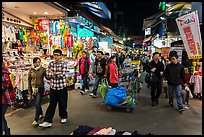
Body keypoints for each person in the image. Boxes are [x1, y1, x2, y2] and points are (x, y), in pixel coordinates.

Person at [39, 49, 69, 128]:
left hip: (62, 87)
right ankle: (47, 121)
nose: (56, 56)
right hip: (53, 87)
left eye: (57, 55)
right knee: (52, 104)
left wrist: (53, 73)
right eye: (54, 55)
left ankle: (63, 116)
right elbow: (48, 76)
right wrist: (56, 73)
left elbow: (62, 75)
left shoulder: (64, 64)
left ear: (61, 56)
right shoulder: (51, 63)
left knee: (62, 103)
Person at [28, 57, 46, 125]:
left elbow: (47, 77)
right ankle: (41, 113)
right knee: (37, 103)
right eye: (36, 62)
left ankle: (36, 119)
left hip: (40, 88)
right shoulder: (31, 70)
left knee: (37, 103)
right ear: (34, 63)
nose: (38, 63)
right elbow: (29, 80)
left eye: (39, 62)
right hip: (33, 88)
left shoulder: (43, 69)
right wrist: (29, 92)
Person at [2, 59, 17, 135]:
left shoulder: (4, 73)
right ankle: (6, 131)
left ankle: (5, 131)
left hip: (5, 98)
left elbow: (3, 86)